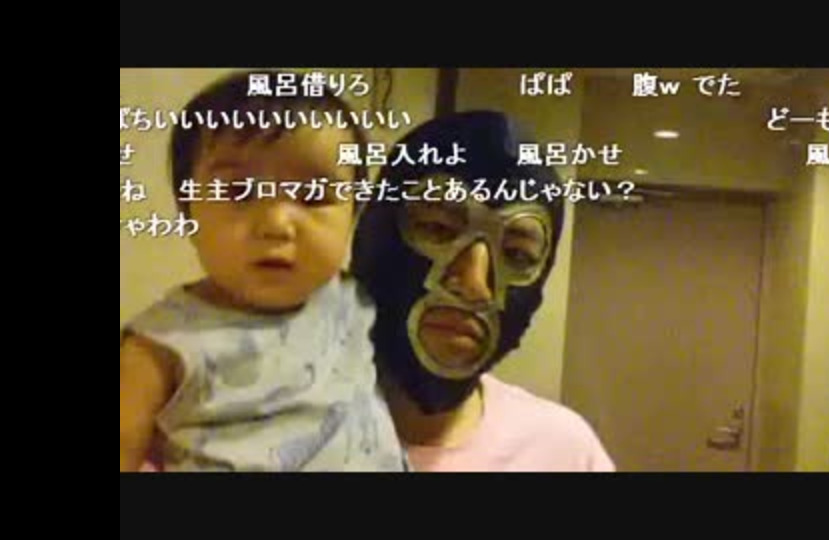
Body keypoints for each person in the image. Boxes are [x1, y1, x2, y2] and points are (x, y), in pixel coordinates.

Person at [119, 70, 406, 472]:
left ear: (353, 214)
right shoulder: (160, 346)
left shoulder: (353, 299)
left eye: (313, 195)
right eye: (239, 191)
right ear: (188, 213)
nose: (275, 224)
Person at [350, 110, 615, 472]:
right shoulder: (285, 433)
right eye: (438, 228)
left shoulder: (564, 453)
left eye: (517, 255)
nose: (475, 286)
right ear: (375, 236)